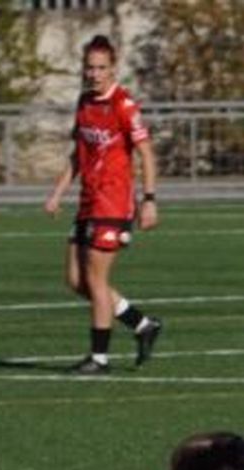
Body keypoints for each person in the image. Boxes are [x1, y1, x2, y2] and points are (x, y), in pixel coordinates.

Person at [44, 34, 162, 375]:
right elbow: (78, 156)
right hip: (87, 200)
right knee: (75, 280)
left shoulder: (124, 105)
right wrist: (57, 193)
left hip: (112, 203)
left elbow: (146, 153)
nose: (94, 74)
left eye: (101, 68)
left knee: (96, 281)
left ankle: (99, 358)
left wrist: (149, 199)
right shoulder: (84, 103)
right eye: (89, 68)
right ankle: (141, 324)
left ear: (113, 69)